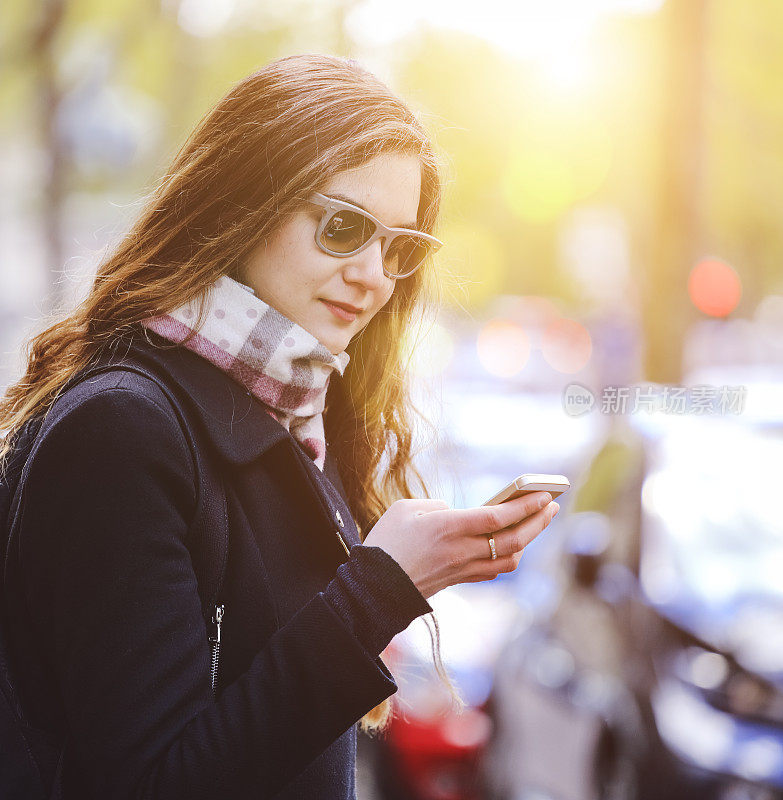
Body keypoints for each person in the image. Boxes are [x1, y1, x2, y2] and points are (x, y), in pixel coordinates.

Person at [0, 53, 560, 799]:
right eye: (341, 227)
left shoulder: (298, 419)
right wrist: (379, 587)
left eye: (397, 248)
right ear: (244, 204)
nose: (373, 275)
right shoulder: (122, 430)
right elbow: (158, 781)